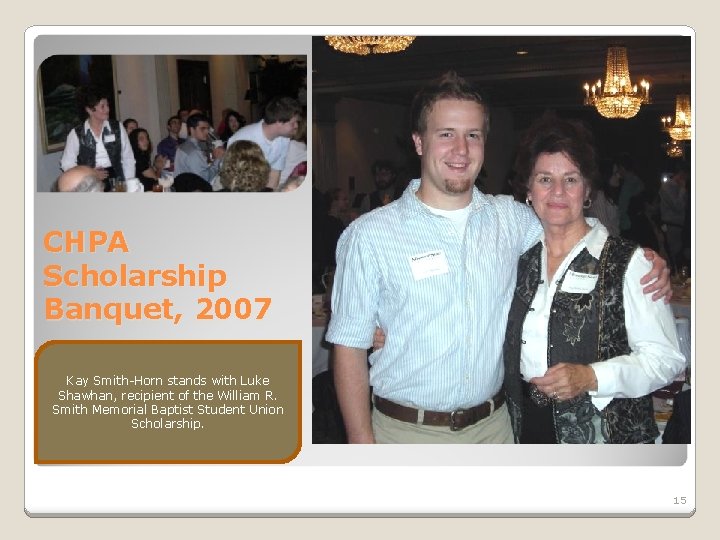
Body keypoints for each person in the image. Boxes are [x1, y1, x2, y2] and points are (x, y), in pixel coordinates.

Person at [326, 72, 671, 444]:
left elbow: (570, 227)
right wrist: (362, 448)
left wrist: (640, 259)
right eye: (446, 134)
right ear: (418, 142)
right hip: (404, 432)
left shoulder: (511, 220)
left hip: (496, 430)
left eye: (472, 135)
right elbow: (348, 348)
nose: (461, 149)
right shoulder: (369, 236)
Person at [502, 115, 685, 444]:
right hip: (524, 427)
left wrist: (591, 376)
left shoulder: (628, 263)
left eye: (570, 180)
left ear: (587, 190)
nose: (558, 191)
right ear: (528, 189)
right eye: (545, 179)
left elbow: (666, 360)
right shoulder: (518, 262)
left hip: (604, 436)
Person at [60, 85, 135, 191]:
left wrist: (129, 184)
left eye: (107, 105)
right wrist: (88, 173)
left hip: (117, 181)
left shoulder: (117, 128)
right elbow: (66, 163)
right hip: (89, 184)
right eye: (102, 106)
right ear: (90, 110)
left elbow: (128, 158)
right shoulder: (76, 134)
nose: (108, 109)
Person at [227, 96, 302, 190]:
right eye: (293, 123)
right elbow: (231, 178)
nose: (296, 126)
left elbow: (275, 174)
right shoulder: (243, 139)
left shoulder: (284, 139)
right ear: (278, 122)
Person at [174, 113, 224, 185]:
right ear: (192, 129)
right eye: (203, 128)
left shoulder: (184, 146)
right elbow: (205, 179)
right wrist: (218, 160)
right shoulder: (193, 151)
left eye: (208, 128)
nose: (207, 132)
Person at [659, 162, 689, 271]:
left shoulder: (680, 187)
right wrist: (682, 189)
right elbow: (678, 206)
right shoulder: (667, 187)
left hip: (681, 225)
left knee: (681, 254)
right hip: (672, 226)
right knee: (674, 255)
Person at [128, 128, 166, 192]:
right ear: (134, 141)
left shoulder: (136, 156)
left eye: (147, 138)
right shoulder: (139, 158)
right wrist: (159, 168)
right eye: (141, 139)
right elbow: (156, 182)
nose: (146, 141)